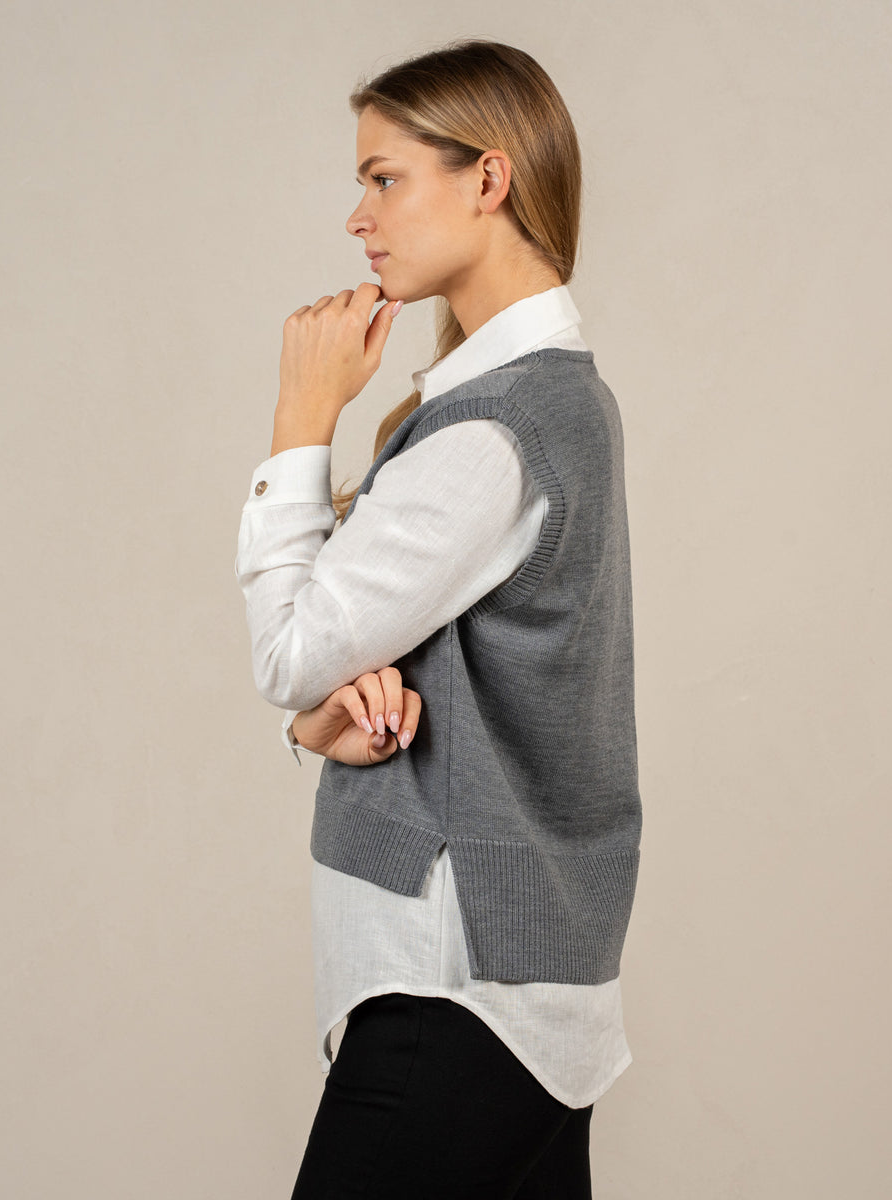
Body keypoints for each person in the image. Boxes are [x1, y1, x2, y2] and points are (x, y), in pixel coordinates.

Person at [234, 38, 642, 1199]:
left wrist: (300, 419)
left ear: (488, 179)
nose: (358, 217)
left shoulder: (492, 433)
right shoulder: (539, 402)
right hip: (513, 995)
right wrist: (315, 724)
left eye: (385, 178)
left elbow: (291, 652)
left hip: (457, 995)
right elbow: (350, 675)